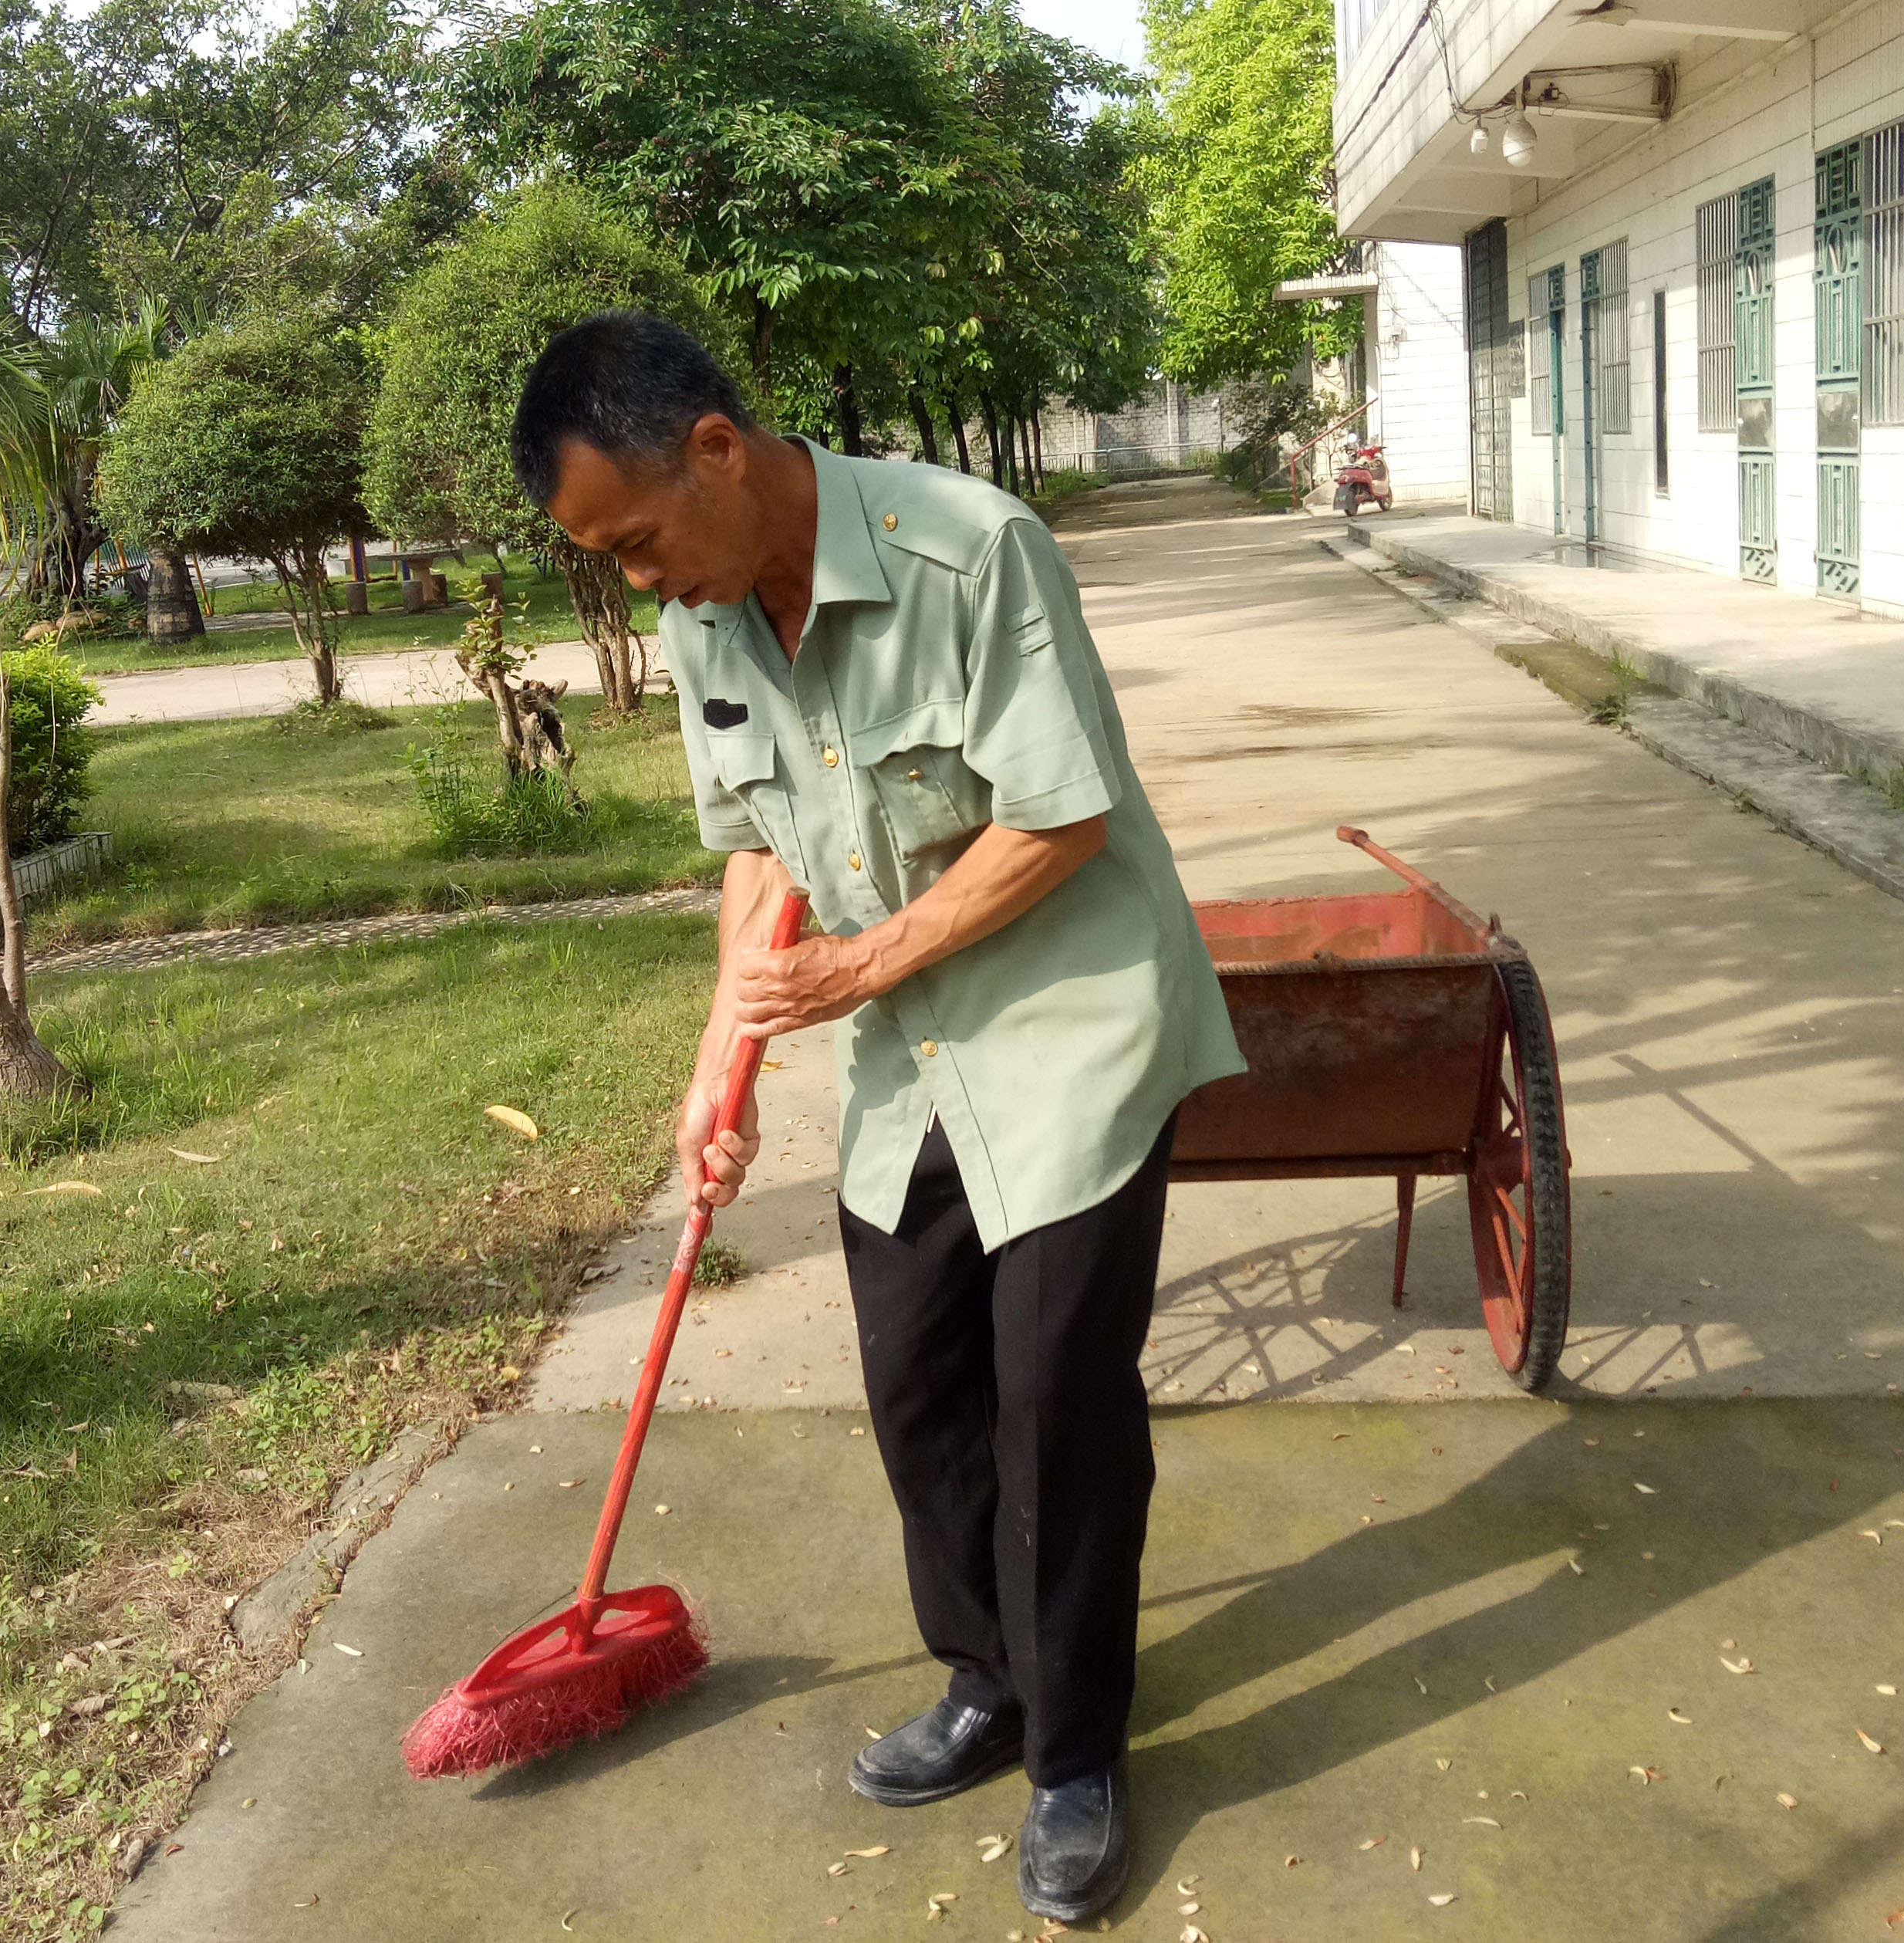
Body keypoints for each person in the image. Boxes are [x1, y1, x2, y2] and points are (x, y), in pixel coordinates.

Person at [509, 310, 1242, 1924]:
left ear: (716, 449)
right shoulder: (712, 622)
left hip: (1073, 1033)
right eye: (611, 564)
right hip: (911, 1056)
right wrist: (719, 1064)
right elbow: (757, 850)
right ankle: (988, 1679)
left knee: (1054, 1401)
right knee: (918, 1387)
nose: (643, 586)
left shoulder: (973, 551)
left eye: (635, 544)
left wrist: (859, 963)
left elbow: (1059, 816)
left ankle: (1076, 1754)